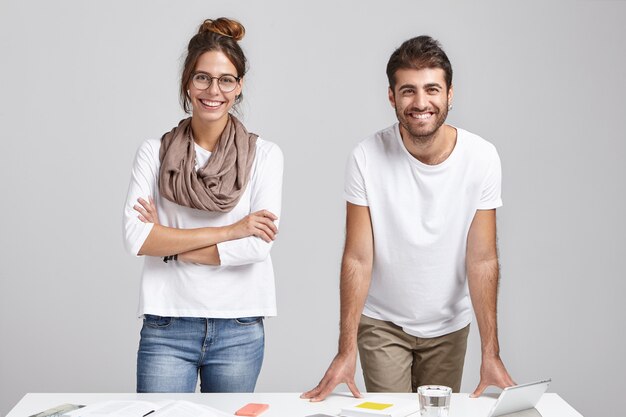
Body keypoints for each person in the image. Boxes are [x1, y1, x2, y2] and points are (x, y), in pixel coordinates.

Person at [302, 35, 514, 401]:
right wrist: (345, 349)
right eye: (408, 91)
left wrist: (491, 353)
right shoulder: (366, 156)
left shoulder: (482, 157)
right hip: (382, 323)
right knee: (391, 411)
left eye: (432, 89)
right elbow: (357, 258)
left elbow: (482, 259)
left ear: (449, 94)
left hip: (449, 326)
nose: (420, 102)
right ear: (391, 97)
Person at [122, 17, 283, 393]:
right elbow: (136, 238)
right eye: (202, 78)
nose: (214, 90)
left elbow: (257, 246)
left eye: (226, 79)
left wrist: (170, 245)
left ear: (239, 86)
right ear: (187, 82)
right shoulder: (154, 152)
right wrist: (231, 230)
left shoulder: (265, 156)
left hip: (238, 324)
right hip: (168, 322)